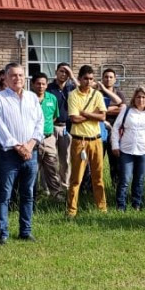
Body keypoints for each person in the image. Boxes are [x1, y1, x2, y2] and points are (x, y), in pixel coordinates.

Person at [0, 63, 43, 243]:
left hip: (31, 153)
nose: (17, 79)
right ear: (5, 77)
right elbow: (0, 127)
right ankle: (2, 233)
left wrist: (29, 145)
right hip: (9, 154)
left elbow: (40, 123)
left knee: (28, 194)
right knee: (4, 195)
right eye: (13, 75)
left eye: (20, 75)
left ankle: (25, 231)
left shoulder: (32, 98)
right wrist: (18, 147)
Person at [65, 66, 108, 217]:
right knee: (76, 178)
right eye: (85, 78)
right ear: (80, 78)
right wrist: (92, 114)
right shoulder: (73, 95)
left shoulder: (97, 94)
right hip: (79, 141)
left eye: (91, 79)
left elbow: (103, 117)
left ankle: (102, 208)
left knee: (98, 177)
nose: (88, 82)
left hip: (96, 140)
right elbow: (74, 119)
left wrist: (84, 113)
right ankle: (71, 210)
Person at [111, 87, 145, 211]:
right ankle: (121, 205)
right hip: (126, 150)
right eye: (138, 97)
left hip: (144, 151)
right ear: (134, 98)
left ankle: (136, 204)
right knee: (124, 179)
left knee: (139, 180)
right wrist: (115, 145)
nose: (141, 99)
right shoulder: (126, 111)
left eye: (144, 97)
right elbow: (116, 128)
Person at [31, 73, 64, 199]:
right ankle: (33, 197)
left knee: (52, 168)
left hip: (49, 138)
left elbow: (54, 117)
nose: (41, 86)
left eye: (43, 84)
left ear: (47, 85)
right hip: (33, 140)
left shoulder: (52, 98)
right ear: (33, 84)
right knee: (33, 170)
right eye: (38, 83)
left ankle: (57, 195)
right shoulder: (28, 99)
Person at [47, 63, 76, 192]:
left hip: (67, 127)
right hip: (51, 127)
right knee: (50, 159)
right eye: (61, 71)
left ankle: (65, 186)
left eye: (66, 72)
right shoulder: (49, 88)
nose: (63, 74)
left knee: (65, 160)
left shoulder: (72, 89)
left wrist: (73, 77)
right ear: (56, 72)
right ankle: (48, 188)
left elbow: (84, 91)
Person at [100, 68, 126, 192]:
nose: (108, 79)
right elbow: (94, 111)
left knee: (115, 161)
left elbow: (123, 108)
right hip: (100, 129)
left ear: (115, 79)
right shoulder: (97, 93)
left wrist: (104, 109)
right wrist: (114, 107)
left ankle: (115, 188)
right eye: (106, 77)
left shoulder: (119, 94)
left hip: (115, 131)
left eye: (111, 77)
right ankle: (92, 189)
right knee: (97, 161)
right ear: (102, 78)